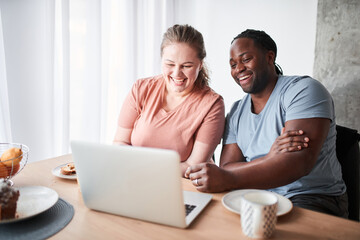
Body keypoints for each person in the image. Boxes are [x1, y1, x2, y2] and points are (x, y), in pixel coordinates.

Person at [185, 29, 348, 218]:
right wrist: (270, 158)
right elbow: (227, 166)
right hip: (255, 195)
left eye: (245, 59)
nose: (238, 69)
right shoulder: (236, 111)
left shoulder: (304, 91)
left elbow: (297, 163)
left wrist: (230, 177)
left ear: (270, 57)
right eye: (233, 64)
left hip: (308, 197)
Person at [113, 24, 225, 177]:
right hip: (134, 179)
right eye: (170, 64)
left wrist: (146, 171)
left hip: (182, 187)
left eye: (186, 66)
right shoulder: (141, 89)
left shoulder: (212, 104)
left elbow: (192, 165)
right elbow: (121, 142)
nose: (177, 73)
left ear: (200, 64)